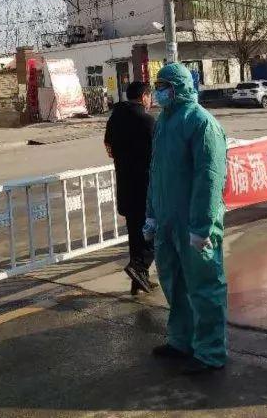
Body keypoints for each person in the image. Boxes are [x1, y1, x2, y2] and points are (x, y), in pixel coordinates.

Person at [144, 62, 228, 375]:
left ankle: (210, 352)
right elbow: (156, 173)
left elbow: (209, 177)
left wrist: (202, 226)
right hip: (167, 221)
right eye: (157, 85)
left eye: (164, 85)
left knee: (205, 286)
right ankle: (181, 340)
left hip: (195, 224)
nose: (159, 90)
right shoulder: (165, 122)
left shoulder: (201, 123)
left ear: (178, 87)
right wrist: (152, 215)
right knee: (174, 283)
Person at [104, 81, 156, 294]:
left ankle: (138, 280)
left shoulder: (115, 118)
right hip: (146, 185)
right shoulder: (146, 120)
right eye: (150, 96)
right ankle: (139, 267)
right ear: (144, 96)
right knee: (154, 231)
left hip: (125, 184)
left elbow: (108, 146)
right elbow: (159, 152)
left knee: (135, 233)